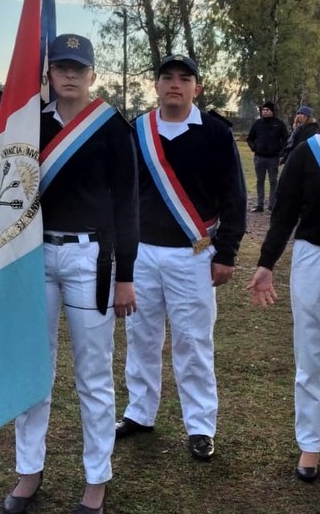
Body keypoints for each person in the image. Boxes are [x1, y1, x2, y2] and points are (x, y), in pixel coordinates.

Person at [4, 34, 138, 514]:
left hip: (90, 258)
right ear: (49, 73)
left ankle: (96, 479)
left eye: (78, 67)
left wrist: (126, 274)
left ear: (92, 75)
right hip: (34, 256)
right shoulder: (28, 125)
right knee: (33, 369)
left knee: (93, 373)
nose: (69, 74)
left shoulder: (112, 127)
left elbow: (127, 202)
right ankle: (28, 470)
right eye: (61, 66)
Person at [117, 54, 246, 461]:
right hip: (142, 254)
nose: (175, 84)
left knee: (193, 341)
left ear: (197, 88)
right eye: (167, 77)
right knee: (140, 337)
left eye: (184, 78)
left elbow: (235, 198)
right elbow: (122, 195)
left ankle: (201, 425)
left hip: (194, 254)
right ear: (155, 86)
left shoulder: (215, 134)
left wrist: (225, 253)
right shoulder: (136, 130)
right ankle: (140, 413)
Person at [246, 71, 320, 482]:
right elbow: (284, 214)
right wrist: (266, 263)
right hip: (314, 258)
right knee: (311, 355)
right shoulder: (306, 152)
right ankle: (310, 446)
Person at [246, 101, 288, 213]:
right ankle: (260, 204)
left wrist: (281, 153)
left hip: (273, 158)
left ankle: (272, 204)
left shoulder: (279, 124)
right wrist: (254, 147)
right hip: (259, 157)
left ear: (272, 111)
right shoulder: (258, 124)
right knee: (260, 180)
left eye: (267, 110)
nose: (265, 112)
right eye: (263, 110)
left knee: (273, 181)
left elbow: (285, 139)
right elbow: (250, 138)